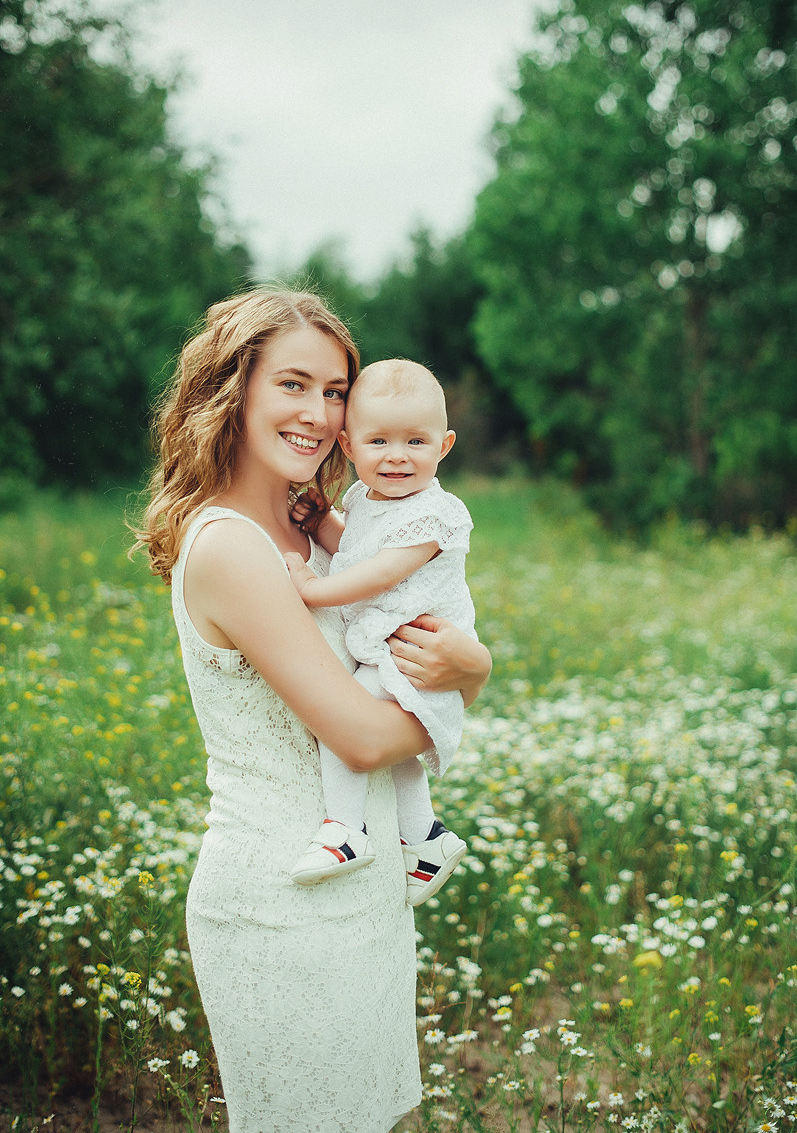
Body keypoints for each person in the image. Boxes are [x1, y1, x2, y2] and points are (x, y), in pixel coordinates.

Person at [133, 288, 491, 1133]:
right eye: (293, 384)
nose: (320, 414)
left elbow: (400, 645)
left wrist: (465, 662)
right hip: (281, 902)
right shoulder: (230, 545)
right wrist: (471, 678)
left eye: (335, 392)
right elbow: (366, 738)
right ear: (233, 390)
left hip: (364, 891)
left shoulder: (316, 529)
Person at [284, 359, 475, 907]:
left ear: (444, 445)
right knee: (398, 756)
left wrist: (310, 586)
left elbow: (380, 572)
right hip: (389, 647)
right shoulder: (366, 499)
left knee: (343, 724)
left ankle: (345, 830)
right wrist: (323, 524)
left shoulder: (435, 514)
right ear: (348, 446)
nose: (397, 456)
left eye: (416, 440)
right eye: (379, 441)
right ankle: (427, 839)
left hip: (419, 650)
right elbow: (359, 548)